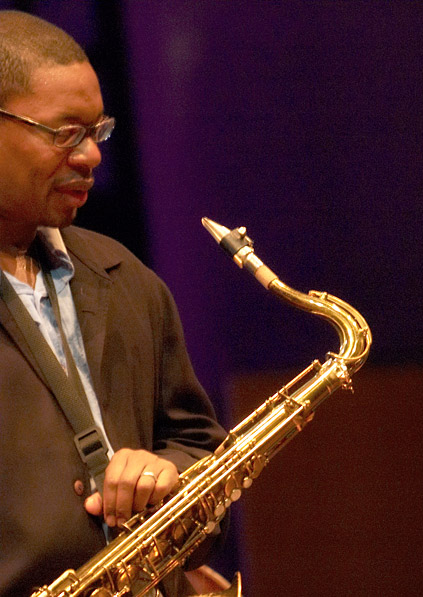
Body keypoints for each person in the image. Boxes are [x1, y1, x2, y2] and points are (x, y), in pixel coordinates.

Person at [0, 11, 227, 596]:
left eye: (96, 132)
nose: (92, 156)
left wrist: (170, 474)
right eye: (64, 133)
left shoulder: (126, 277)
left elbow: (198, 447)